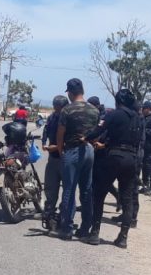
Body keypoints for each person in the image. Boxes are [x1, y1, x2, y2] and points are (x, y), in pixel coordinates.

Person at [86, 88, 144, 248]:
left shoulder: (114, 114)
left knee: (99, 195)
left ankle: (95, 233)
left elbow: (99, 130)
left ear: (118, 101)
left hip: (113, 157)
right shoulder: (138, 118)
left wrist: (85, 137)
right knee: (127, 199)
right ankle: (123, 237)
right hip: (131, 159)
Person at [56, 78, 100, 240]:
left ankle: (67, 228)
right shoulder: (94, 110)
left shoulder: (67, 110)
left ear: (70, 92)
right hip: (89, 151)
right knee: (86, 190)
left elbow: (60, 133)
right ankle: (85, 228)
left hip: (72, 150)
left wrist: (60, 150)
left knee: (69, 189)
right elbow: (96, 133)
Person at [41, 95, 69, 230]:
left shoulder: (69, 119)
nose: (56, 110)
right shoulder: (52, 117)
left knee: (67, 191)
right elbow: (46, 129)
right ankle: (50, 215)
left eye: (58, 108)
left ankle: (64, 218)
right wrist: (43, 142)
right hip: (53, 158)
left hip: (66, 158)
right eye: (55, 107)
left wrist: (58, 147)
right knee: (50, 188)